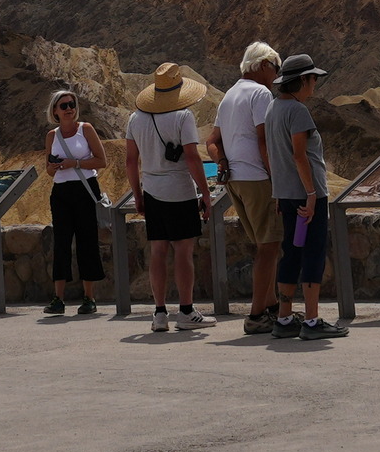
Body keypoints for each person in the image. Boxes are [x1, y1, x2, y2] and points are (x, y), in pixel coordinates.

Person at [125, 64, 214, 331]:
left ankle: (159, 313)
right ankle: (186, 311)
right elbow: (191, 156)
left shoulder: (135, 119)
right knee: (184, 252)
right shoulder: (182, 117)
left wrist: (138, 195)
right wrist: (205, 193)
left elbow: (131, 161)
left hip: (152, 191)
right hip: (180, 191)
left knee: (158, 252)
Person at [261, 59, 335, 338]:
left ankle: (284, 318)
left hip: (286, 195)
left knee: (291, 253)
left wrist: (279, 192)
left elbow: (274, 154)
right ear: (303, 80)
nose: (315, 84)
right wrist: (313, 194)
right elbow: (299, 155)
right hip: (307, 196)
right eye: (313, 79)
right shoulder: (298, 111)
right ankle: (313, 321)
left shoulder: (272, 108)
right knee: (313, 253)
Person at [217, 45, 283, 331]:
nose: (276, 76)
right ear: (264, 64)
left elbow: (213, 139)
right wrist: (277, 178)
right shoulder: (260, 93)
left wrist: (222, 162)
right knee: (269, 248)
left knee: (264, 244)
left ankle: (272, 306)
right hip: (257, 177)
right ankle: (256, 316)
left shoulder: (229, 95)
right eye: (276, 69)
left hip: (236, 178)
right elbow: (263, 139)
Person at [42, 89, 106, 316]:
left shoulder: (85, 130)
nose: (69, 109)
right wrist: (54, 166)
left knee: (87, 241)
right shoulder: (52, 136)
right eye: (63, 106)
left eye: (71, 104)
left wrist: (74, 163)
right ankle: (58, 298)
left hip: (85, 189)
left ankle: (89, 297)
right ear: (55, 111)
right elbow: (48, 170)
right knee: (61, 243)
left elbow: (102, 161)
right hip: (61, 192)